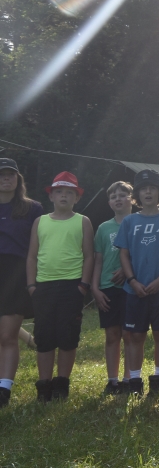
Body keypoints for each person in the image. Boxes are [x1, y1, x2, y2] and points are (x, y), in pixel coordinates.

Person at [26, 171, 94, 402]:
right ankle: (44, 385)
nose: (64, 196)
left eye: (69, 193)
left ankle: (61, 384)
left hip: (72, 286)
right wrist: (31, 285)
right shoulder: (40, 221)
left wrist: (83, 285)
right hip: (43, 287)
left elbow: (89, 256)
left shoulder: (83, 221)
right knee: (44, 337)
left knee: (67, 336)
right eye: (59, 192)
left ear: (77, 198)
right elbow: (32, 256)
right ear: (51, 196)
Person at [114, 170, 159, 396]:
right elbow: (123, 254)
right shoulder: (130, 221)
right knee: (135, 336)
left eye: (152, 188)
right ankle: (135, 381)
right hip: (135, 290)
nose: (148, 192)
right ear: (137, 194)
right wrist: (132, 281)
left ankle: (158, 377)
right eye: (143, 189)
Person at [0, 159, 44, 407]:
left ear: (18, 179)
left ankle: (4, 390)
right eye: (1, 174)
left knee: (7, 335)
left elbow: (40, 245)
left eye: (10, 174)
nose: (6, 178)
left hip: (16, 274)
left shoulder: (32, 208)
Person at [91, 181, 134, 395]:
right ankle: (112, 381)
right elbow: (98, 260)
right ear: (109, 202)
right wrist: (95, 288)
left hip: (131, 287)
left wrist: (127, 271)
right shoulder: (103, 228)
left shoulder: (138, 223)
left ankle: (128, 380)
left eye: (122, 195)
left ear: (132, 199)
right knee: (112, 335)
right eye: (113, 196)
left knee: (129, 334)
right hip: (107, 287)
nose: (118, 199)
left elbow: (144, 255)